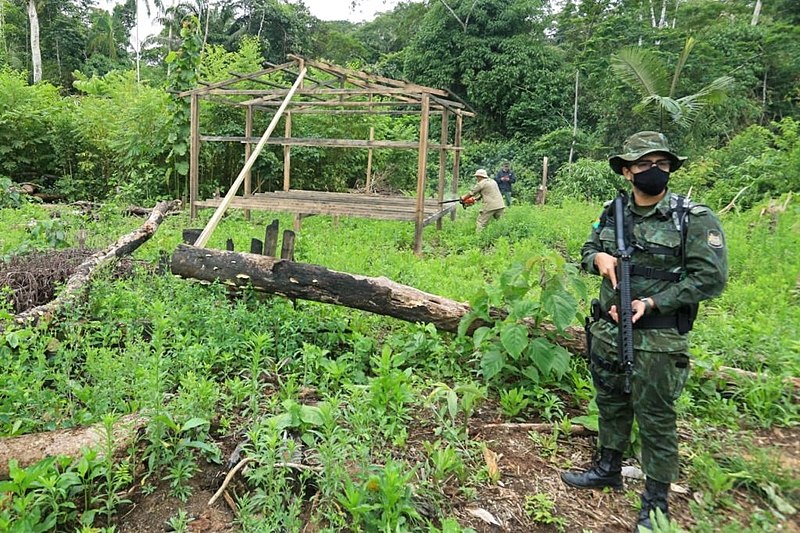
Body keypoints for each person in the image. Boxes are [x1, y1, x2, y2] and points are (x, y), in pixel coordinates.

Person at [560, 131, 728, 531]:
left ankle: (655, 502)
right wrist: (598, 259)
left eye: (661, 164)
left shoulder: (692, 217)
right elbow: (586, 250)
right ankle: (608, 468)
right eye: (644, 164)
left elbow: (711, 279)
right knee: (611, 401)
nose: (654, 170)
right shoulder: (613, 211)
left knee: (656, 416)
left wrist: (652, 303)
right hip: (608, 330)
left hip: (659, 338)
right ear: (626, 171)